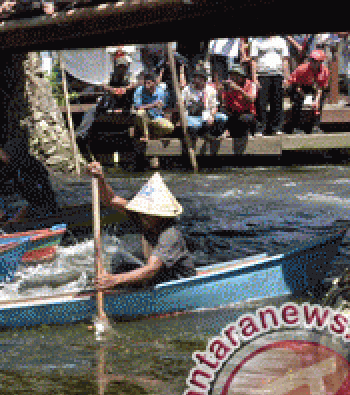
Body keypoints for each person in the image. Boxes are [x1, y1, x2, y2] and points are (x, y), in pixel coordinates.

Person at [87, 163, 196, 291]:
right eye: (142, 213)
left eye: (147, 214)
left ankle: (117, 287)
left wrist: (115, 279)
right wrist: (100, 179)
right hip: (158, 273)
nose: (142, 217)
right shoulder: (142, 215)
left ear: (160, 215)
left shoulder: (170, 235)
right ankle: (113, 289)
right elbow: (110, 199)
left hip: (177, 280)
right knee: (119, 258)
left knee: (132, 272)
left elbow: (152, 268)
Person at [0, 127, 58, 224]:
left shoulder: (31, 165)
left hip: (42, 206)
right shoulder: (14, 166)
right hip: (29, 204)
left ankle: (12, 227)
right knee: (1, 210)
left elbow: (37, 199)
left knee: (20, 210)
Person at [249, 35, 290, 135]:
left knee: (277, 102)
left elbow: (285, 60)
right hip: (262, 75)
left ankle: (276, 128)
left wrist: (286, 77)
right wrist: (254, 78)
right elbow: (253, 61)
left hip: (278, 75)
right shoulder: (256, 40)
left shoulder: (281, 41)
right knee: (261, 103)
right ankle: (260, 128)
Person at [285, 48, 329, 133]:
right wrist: (302, 94)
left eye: (315, 61)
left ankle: (315, 126)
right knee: (298, 101)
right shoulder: (302, 69)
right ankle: (296, 127)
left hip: (312, 86)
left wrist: (316, 101)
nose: (312, 62)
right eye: (311, 60)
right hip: (297, 86)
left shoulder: (324, 71)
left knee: (319, 102)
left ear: (321, 62)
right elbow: (292, 82)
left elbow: (321, 87)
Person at [221, 62, 259, 137]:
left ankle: (248, 132)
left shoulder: (251, 84)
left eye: (235, 75)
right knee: (223, 115)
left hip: (247, 113)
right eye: (231, 75)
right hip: (233, 112)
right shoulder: (228, 86)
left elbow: (251, 99)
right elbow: (224, 104)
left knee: (244, 119)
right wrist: (221, 90)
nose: (233, 78)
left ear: (241, 76)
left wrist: (238, 89)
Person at [132, 72, 175, 138]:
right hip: (145, 117)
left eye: (149, 83)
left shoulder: (162, 92)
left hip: (157, 117)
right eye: (145, 83)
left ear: (154, 83)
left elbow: (166, 108)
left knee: (170, 127)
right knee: (140, 113)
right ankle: (144, 136)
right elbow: (137, 107)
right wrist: (153, 105)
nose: (146, 85)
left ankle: (153, 135)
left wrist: (167, 114)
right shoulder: (139, 90)